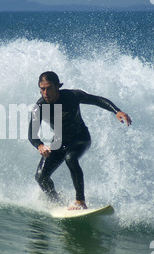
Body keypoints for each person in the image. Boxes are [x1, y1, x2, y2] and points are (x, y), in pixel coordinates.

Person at [28, 71, 132, 210]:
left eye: (49, 88)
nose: (45, 92)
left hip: (80, 138)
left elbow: (97, 100)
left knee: (71, 158)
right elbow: (32, 133)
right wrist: (40, 145)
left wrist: (116, 111)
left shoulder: (72, 96)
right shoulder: (40, 107)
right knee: (41, 176)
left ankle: (80, 201)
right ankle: (55, 202)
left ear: (58, 86)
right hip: (59, 142)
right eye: (42, 89)